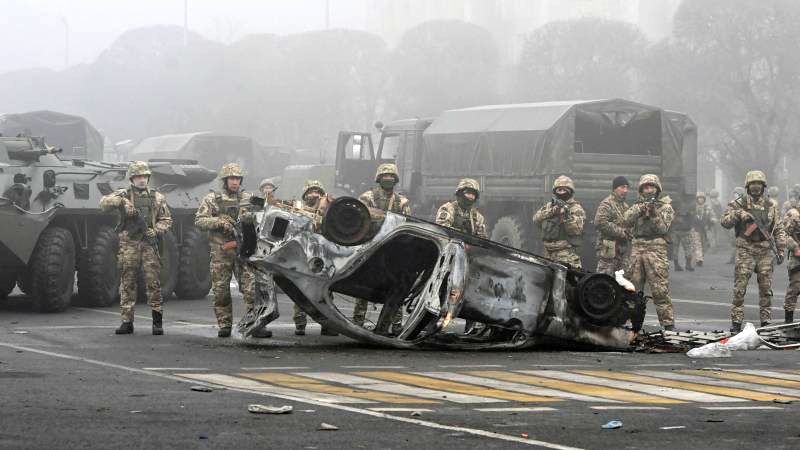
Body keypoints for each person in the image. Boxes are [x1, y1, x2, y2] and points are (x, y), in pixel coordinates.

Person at [195, 163, 271, 338]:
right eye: (231, 179)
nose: (235, 182)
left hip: (244, 252)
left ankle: (256, 324)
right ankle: (224, 325)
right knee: (221, 292)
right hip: (221, 253)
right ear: (225, 180)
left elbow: (266, 213)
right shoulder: (213, 199)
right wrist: (219, 222)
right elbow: (199, 221)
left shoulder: (248, 198)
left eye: (237, 179)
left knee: (252, 290)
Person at [100, 161, 172, 335]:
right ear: (132, 178)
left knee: (153, 282)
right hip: (129, 244)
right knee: (127, 282)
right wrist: (122, 203)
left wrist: (155, 231)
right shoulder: (124, 194)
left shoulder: (157, 197)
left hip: (149, 243)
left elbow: (167, 220)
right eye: (138, 176)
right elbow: (103, 203)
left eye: (144, 176)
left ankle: (157, 321)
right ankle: (127, 321)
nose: (142, 180)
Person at [720, 170, 786, 331]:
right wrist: (738, 214)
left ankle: (766, 323)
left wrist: (781, 248)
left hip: (765, 250)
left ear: (763, 187)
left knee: (766, 289)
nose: (756, 187)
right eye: (752, 184)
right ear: (747, 186)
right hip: (745, 249)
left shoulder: (771, 206)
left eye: (759, 184)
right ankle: (736, 324)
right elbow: (724, 222)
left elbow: (778, 228)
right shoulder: (738, 203)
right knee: (740, 289)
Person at [353, 164, 411, 333]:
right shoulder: (367, 198)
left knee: (397, 286)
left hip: (394, 250)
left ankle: (396, 325)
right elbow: (359, 221)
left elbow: (407, 225)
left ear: (396, 179)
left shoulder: (402, 202)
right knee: (363, 285)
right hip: (370, 247)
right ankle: (358, 322)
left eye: (391, 176)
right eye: (385, 176)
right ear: (379, 178)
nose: (388, 179)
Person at [622, 174, 676, 331]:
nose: (648, 190)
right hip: (637, 248)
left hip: (656, 249)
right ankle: (631, 324)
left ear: (657, 189)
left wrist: (653, 214)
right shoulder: (636, 206)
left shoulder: (665, 208)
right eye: (645, 187)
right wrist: (640, 209)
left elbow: (663, 228)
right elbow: (625, 220)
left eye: (651, 187)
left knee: (660, 289)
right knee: (632, 289)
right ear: (641, 189)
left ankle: (668, 325)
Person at [293, 180, 338, 336]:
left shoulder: (327, 209)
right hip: (304, 255)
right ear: (305, 195)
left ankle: (327, 325)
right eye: (311, 191)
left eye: (317, 192)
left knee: (326, 291)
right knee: (300, 288)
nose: (315, 194)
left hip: (323, 255)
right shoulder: (297, 210)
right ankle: (300, 324)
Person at [533, 175, 586, 269]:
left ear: (570, 192)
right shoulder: (550, 206)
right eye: (559, 190)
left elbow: (576, 230)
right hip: (547, 253)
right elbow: (536, 219)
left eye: (564, 190)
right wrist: (552, 212)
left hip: (565, 254)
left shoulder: (576, 208)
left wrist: (564, 216)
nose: (561, 192)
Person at [594, 176, 631, 275]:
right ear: (615, 188)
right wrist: (621, 232)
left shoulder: (625, 206)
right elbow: (600, 222)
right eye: (622, 187)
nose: (625, 190)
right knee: (605, 277)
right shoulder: (607, 204)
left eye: (627, 188)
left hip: (621, 249)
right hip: (608, 246)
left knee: (623, 280)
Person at [781, 208, 800, 324]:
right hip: (798, 260)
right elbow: (783, 234)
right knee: (795, 288)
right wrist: (795, 247)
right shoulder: (794, 215)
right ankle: (788, 320)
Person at [670, 196, 695, 272]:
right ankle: (688, 265)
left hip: (676, 230)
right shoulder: (688, 206)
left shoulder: (672, 208)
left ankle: (676, 265)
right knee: (688, 247)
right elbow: (692, 217)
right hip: (685, 231)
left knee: (675, 248)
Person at [691, 192, 714, 267]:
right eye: (699, 198)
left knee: (705, 246)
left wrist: (712, 221)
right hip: (696, 228)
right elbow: (690, 216)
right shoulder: (693, 207)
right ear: (697, 199)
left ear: (704, 199)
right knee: (697, 244)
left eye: (702, 198)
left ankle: (700, 256)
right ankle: (699, 259)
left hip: (705, 229)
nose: (700, 200)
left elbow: (713, 216)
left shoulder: (707, 208)